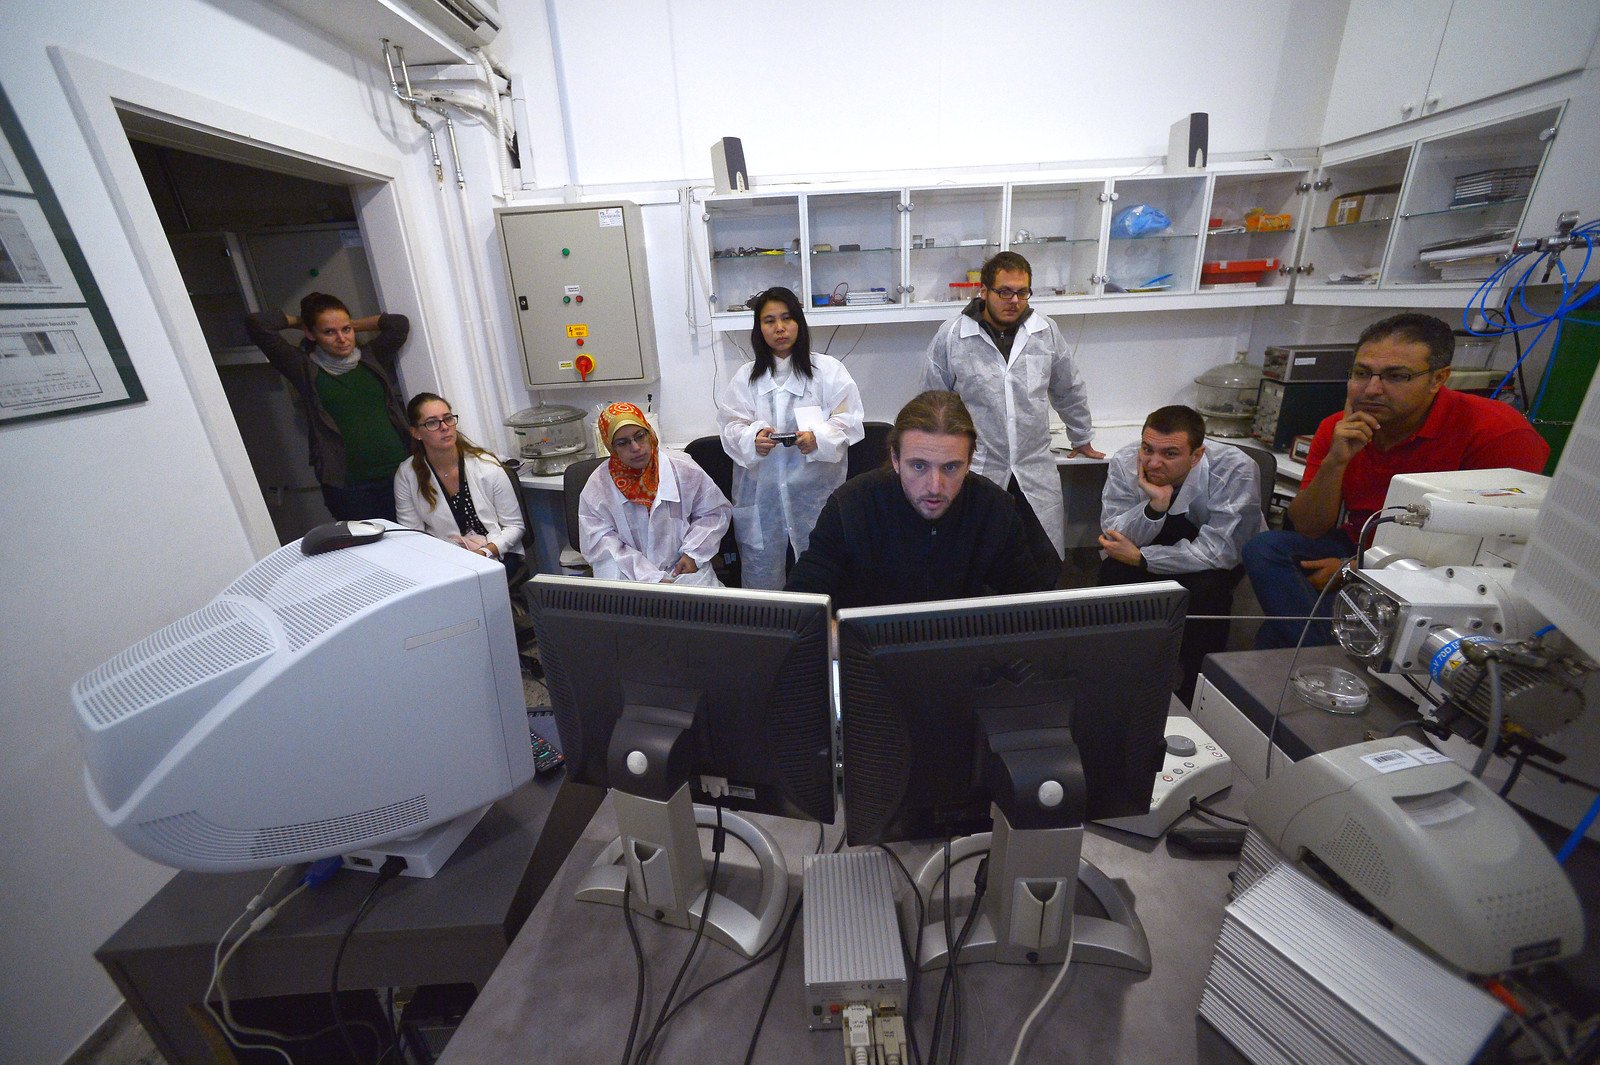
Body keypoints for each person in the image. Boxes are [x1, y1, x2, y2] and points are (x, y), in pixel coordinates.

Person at [1244, 312, 1551, 649]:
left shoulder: (1496, 433)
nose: (1372, 389)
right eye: (1362, 373)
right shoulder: (1339, 428)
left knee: (1276, 634)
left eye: (1396, 376)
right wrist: (1336, 462)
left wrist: (1354, 569)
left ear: (1438, 379)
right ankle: (1328, 644)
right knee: (1265, 548)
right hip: (1360, 543)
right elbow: (1308, 528)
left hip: (1442, 569)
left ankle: (1323, 647)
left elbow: (1493, 556)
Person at [920, 251, 1102, 580]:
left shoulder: (1045, 331)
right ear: (984, 291)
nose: (1014, 300)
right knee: (978, 565)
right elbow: (932, 403)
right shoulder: (952, 336)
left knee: (1043, 564)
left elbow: (1068, 388)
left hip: (1034, 469)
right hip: (978, 468)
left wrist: (1082, 437)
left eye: (1022, 292)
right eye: (1004, 291)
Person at [785, 390, 1051, 609]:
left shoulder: (994, 508)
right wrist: (840, 637)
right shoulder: (850, 506)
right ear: (895, 459)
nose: (935, 487)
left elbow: (1030, 606)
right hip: (868, 649)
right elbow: (802, 604)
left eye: (950, 467)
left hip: (960, 649)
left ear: (969, 462)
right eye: (919, 466)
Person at [1097, 405, 1266, 703]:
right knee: (1113, 573)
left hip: (1216, 556)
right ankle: (1114, 676)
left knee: (1208, 593)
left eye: (1170, 454)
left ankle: (1196, 690)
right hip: (1156, 542)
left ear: (1196, 455)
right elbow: (1115, 536)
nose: (1153, 463)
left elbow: (1221, 551)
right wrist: (1155, 507)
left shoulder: (1235, 468)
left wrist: (1144, 559)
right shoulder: (1126, 460)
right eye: (1147, 449)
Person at [717, 287, 865, 589]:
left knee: (822, 573)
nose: (779, 328)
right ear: (759, 328)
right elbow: (730, 425)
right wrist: (752, 439)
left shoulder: (827, 371)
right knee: (762, 580)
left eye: (786, 318)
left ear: (799, 322)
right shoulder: (746, 377)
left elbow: (849, 419)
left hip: (814, 497)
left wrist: (819, 438)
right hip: (763, 501)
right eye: (769, 321)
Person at [244, 293, 411, 522]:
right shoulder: (303, 367)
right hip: (349, 486)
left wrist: (352, 324)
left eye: (346, 329)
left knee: (416, 539)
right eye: (329, 332)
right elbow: (257, 324)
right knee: (365, 543)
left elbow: (398, 325)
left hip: (401, 473)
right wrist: (300, 321)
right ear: (311, 334)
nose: (342, 338)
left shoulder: (371, 357)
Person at [578, 401, 732, 585]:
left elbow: (714, 512)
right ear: (611, 447)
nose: (636, 447)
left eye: (640, 436)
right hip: (631, 577)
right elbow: (601, 545)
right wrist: (649, 578)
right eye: (623, 443)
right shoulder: (598, 487)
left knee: (705, 603)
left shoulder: (682, 468)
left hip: (686, 571)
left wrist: (693, 553)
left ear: (649, 432)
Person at [393, 392, 526, 567]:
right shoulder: (407, 475)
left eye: (448, 418)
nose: (444, 427)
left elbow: (515, 527)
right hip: (446, 559)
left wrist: (484, 553)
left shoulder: (487, 465)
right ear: (416, 433)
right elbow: (413, 538)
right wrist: (448, 561)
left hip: (496, 552)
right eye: (432, 422)